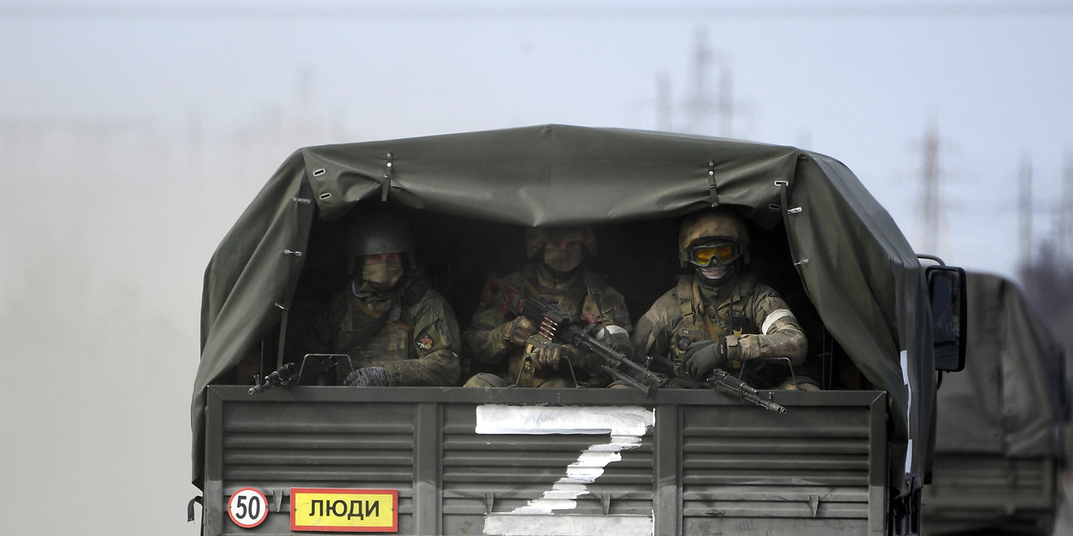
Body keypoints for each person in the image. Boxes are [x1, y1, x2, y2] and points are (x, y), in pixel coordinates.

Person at [634, 209, 811, 388]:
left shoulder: (760, 299)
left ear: (739, 254)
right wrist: (666, 386)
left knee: (804, 388)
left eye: (723, 253)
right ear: (689, 258)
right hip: (686, 404)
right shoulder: (669, 306)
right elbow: (629, 361)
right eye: (703, 256)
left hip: (751, 399)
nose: (714, 262)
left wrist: (725, 349)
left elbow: (795, 343)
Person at [464, 226, 632, 387]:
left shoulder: (600, 295)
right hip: (512, 385)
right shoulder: (515, 285)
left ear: (584, 246)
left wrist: (572, 354)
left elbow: (615, 354)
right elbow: (471, 344)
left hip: (565, 390)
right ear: (541, 246)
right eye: (556, 243)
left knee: (557, 387)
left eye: (572, 244)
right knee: (477, 385)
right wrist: (504, 335)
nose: (564, 250)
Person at [324, 210, 461, 387]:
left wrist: (387, 375)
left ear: (404, 260)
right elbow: (318, 360)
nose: (385, 264)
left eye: (392, 257)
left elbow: (446, 365)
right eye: (374, 258)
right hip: (344, 408)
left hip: (405, 409)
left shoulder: (424, 304)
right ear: (358, 262)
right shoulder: (340, 305)